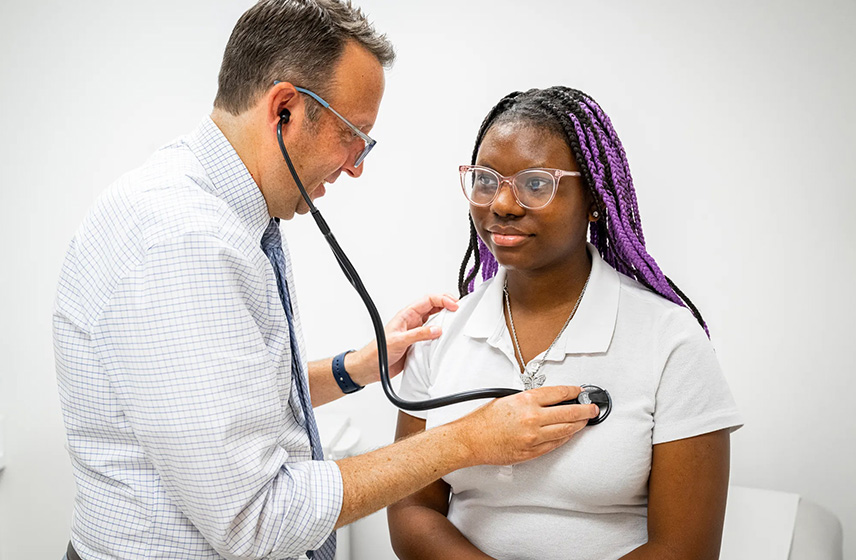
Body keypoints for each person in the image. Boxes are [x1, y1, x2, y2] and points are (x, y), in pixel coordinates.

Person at [52, 4, 600, 560]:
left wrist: (354, 370)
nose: (356, 165)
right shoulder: (183, 241)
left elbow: (217, 395)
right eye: (353, 135)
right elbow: (254, 521)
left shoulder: (211, 207)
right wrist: (468, 439)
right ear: (285, 109)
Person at [388, 86, 744, 560]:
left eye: (537, 184)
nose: (503, 204)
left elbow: (686, 548)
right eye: (486, 180)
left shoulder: (670, 341)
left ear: (595, 199)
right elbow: (411, 509)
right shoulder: (441, 334)